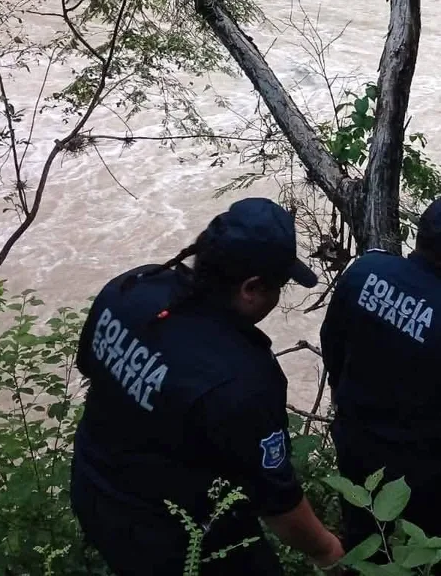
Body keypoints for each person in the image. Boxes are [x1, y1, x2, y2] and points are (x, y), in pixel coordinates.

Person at [70, 198, 344, 576]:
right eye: (279, 286)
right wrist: (327, 550)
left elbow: (91, 368)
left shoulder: (131, 288)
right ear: (251, 288)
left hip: (93, 490)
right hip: (173, 539)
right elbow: (278, 503)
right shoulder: (242, 378)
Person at [320, 195, 441, 551]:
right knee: (423, 554)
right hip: (426, 477)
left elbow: (331, 340)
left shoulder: (365, 271)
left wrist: (342, 396)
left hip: (356, 447)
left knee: (363, 539)